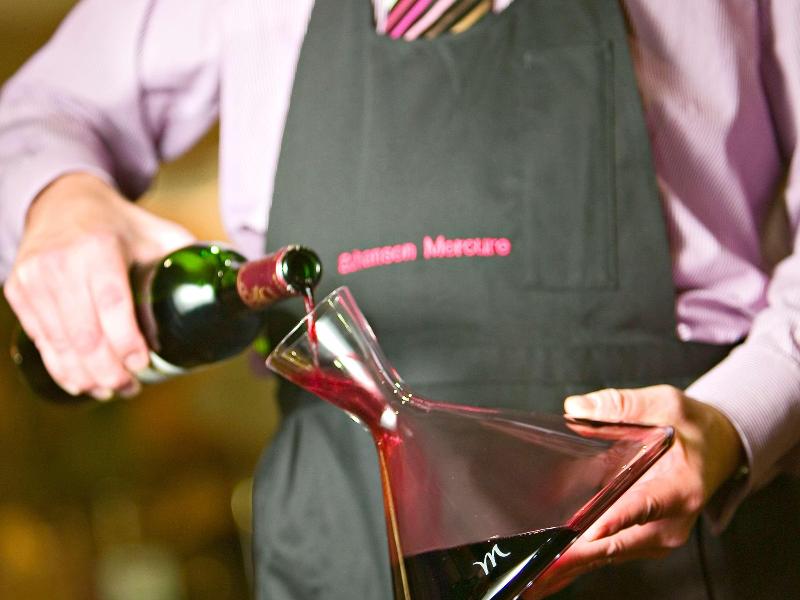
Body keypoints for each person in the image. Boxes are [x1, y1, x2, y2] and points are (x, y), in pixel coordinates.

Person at [1, 0, 799, 597]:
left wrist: (736, 419)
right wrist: (60, 203)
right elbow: (41, 111)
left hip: (669, 506)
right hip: (335, 533)